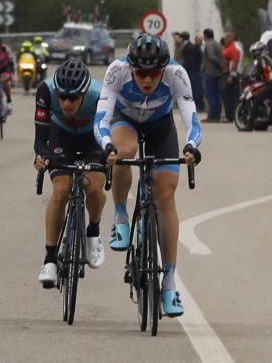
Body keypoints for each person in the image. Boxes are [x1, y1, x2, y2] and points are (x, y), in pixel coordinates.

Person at [94, 34, 201, 318]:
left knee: (165, 197)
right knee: (123, 151)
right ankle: (120, 216)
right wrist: (106, 145)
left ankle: (168, 283)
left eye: (155, 73)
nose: (148, 80)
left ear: (164, 69)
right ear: (131, 67)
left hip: (160, 128)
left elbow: (192, 119)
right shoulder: (117, 71)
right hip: (124, 121)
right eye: (141, 73)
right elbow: (101, 118)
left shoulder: (177, 74)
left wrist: (191, 146)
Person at [34, 59, 107, 288]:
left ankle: (93, 232)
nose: (66, 103)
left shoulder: (100, 94)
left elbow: (108, 130)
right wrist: (42, 155)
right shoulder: (46, 90)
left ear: (85, 93)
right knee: (61, 190)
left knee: (94, 186)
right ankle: (50, 260)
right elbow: (40, 138)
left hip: (92, 137)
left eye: (73, 98)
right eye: (63, 97)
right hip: (61, 135)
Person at [243, 41, 272, 129]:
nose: (254, 54)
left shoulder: (261, 60)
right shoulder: (270, 58)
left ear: (260, 51)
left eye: (255, 51)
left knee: (257, 100)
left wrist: (249, 77)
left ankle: (249, 125)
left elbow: (255, 74)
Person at [201, 28, 224, 122]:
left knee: (210, 94)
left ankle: (212, 116)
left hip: (211, 72)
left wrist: (220, 65)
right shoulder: (217, 43)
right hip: (217, 73)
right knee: (216, 94)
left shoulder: (209, 44)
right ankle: (217, 115)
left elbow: (211, 56)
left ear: (205, 35)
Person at [221, 31, 241, 123]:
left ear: (232, 38)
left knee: (231, 96)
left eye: (228, 37)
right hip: (225, 74)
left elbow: (235, 63)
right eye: (225, 37)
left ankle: (232, 116)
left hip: (229, 75)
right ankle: (229, 115)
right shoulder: (227, 47)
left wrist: (231, 76)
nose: (226, 39)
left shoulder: (233, 48)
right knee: (226, 96)